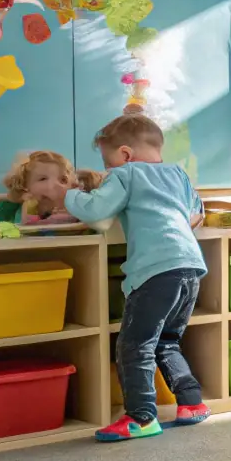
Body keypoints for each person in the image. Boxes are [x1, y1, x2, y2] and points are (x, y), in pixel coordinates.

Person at [30, 114, 209, 441]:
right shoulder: (178, 174)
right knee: (167, 341)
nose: (106, 170)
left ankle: (141, 417)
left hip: (156, 270)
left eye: (106, 162)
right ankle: (192, 403)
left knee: (134, 345)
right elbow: (197, 213)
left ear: (125, 154)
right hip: (190, 266)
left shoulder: (126, 174)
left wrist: (64, 194)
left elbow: (97, 210)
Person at [0, 150, 102, 225]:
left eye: (63, 180)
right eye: (42, 179)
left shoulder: (75, 204)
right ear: (25, 188)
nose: (52, 184)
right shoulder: (26, 206)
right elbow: (25, 228)